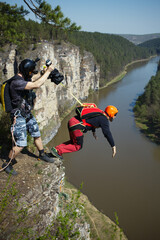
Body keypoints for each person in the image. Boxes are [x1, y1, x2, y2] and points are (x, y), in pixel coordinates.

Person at [2, 59, 56, 175]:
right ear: (26, 71)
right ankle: (7, 163)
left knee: (36, 133)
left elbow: (33, 80)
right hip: (19, 116)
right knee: (21, 144)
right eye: (31, 71)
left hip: (26, 113)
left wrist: (42, 73)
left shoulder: (22, 79)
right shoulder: (16, 82)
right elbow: (35, 85)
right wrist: (48, 72)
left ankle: (42, 154)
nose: (32, 73)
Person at [51, 105, 118, 159]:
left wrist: (93, 132)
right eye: (115, 115)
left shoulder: (100, 113)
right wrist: (113, 146)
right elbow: (107, 133)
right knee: (78, 146)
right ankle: (58, 151)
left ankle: (56, 149)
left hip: (72, 121)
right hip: (77, 126)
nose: (115, 117)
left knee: (73, 142)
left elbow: (92, 121)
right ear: (111, 114)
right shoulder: (104, 120)